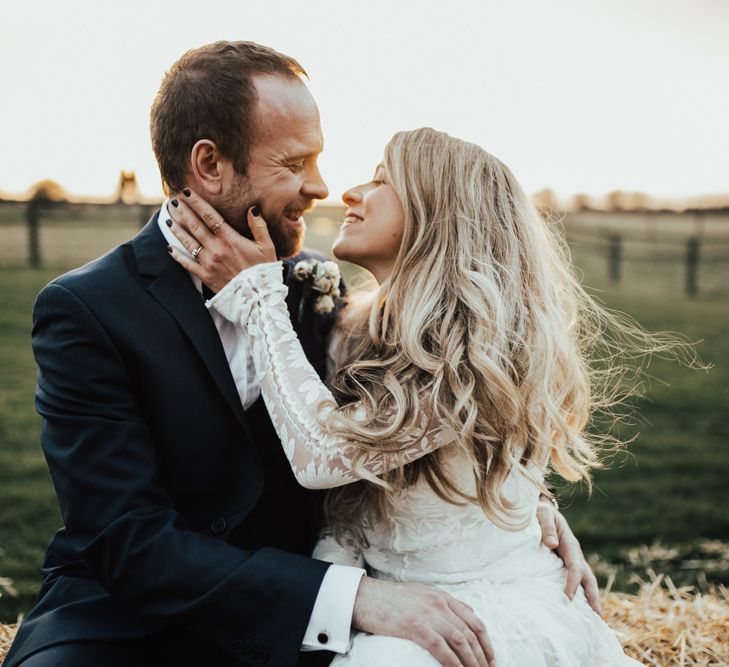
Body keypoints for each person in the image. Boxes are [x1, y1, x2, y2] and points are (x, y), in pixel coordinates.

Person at [6, 42, 594, 667]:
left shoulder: (326, 290)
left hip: (307, 604)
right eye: (294, 162)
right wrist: (353, 597)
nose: (321, 186)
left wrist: (525, 520)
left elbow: (436, 414)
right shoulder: (89, 308)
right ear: (209, 164)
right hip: (133, 613)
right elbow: (130, 543)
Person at [165, 127, 650, 665]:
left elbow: (324, 457)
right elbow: (358, 489)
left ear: (439, 213)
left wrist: (259, 298)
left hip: (480, 611)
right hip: (388, 597)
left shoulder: (474, 352)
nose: (349, 193)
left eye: (380, 181)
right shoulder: (350, 322)